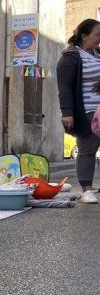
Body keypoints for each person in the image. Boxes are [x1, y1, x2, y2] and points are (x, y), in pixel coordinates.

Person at [57, 18, 100, 203]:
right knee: (88, 149)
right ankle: (87, 190)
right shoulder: (71, 57)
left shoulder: (98, 54)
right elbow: (65, 87)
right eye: (97, 35)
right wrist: (67, 112)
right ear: (84, 36)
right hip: (87, 111)